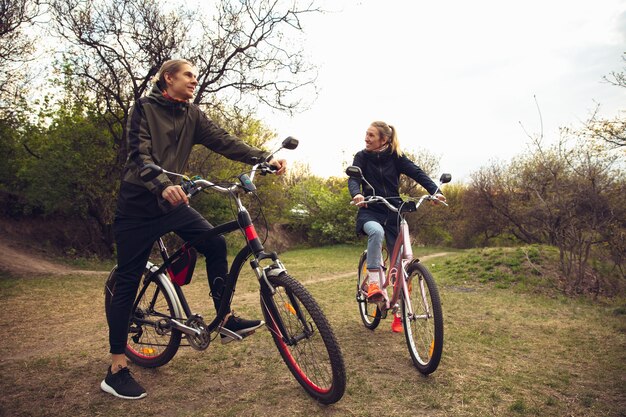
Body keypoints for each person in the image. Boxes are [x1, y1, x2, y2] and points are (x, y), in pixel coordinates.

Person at [101, 59, 287, 400]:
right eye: (188, 75)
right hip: (137, 206)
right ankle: (116, 368)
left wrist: (262, 158)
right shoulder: (143, 108)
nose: (193, 81)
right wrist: (161, 184)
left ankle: (225, 317)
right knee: (127, 280)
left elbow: (223, 140)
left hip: (173, 203)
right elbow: (139, 155)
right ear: (168, 78)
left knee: (215, 245)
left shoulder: (193, 115)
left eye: (196, 77)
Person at [348, 121, 445, 333]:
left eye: (371, 135)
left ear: (384, 140)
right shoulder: (361, 157)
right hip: (371, 209)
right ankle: (373, 282)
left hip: (394, 211)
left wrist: (434, 191)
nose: (366, 138)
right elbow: (353, 179)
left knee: (402, 265)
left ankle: (399, 312)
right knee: (376, 231)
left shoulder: (396, 156)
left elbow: (417, 173)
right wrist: (357, 194)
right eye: (366, 134)